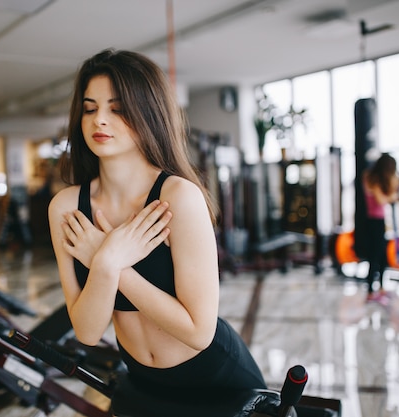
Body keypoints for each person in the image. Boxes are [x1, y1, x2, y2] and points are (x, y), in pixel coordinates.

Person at [48, 49, 266, 414]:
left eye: (117, 108)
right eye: (90, 108)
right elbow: (86, 332)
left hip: (215, 380)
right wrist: (105, 265)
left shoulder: (178, 197)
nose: (100, 119)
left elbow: (199, 331)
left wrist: (112, 261)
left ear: (147, 113)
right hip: (142, 380)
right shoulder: (67, 208)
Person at [361, 153, 399, 303]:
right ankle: (371, 290)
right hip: (374, 222)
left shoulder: (370, 177)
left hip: (378, 221)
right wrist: (393, 195)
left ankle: (381, 288)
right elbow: (381, 199)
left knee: (382, 256)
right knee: (375, 257)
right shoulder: (373, 180)